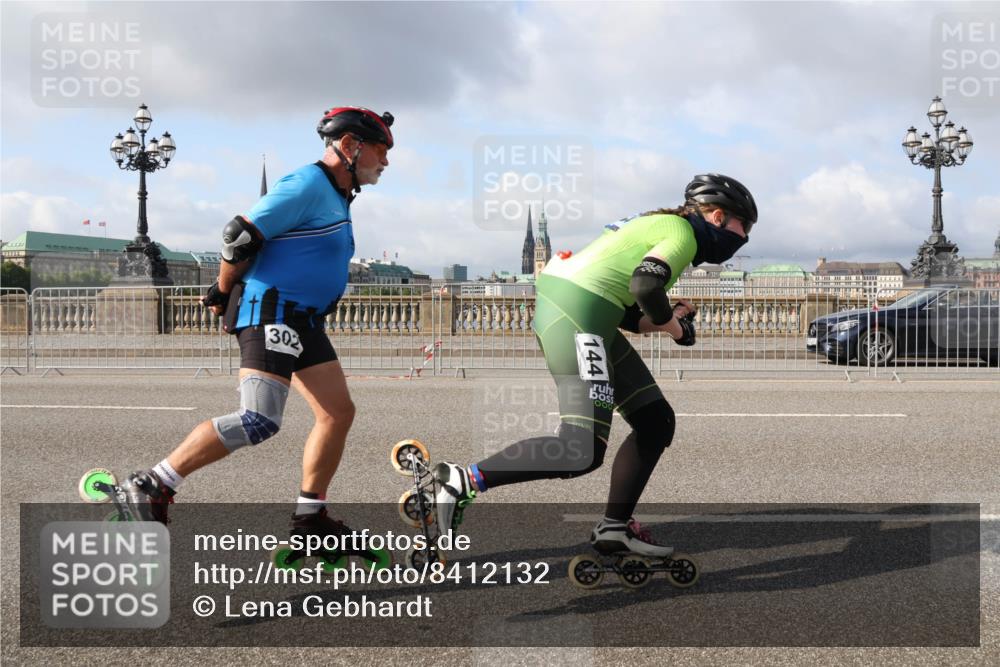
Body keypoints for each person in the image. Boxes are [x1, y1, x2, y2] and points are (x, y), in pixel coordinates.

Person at [433, 174, 757, 558]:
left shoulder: (660, 225)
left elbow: (629, 314)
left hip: (589, 314)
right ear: (718, 217)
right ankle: (463, 480)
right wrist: (675, 328)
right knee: (580, 448)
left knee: (655, 421)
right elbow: (646, 286)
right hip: (577, 317)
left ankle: (614, 529)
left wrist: (668, 320)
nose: (745, 239)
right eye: (744, 227)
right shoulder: (683, 233)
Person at [123, 107, 393, 547]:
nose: (385, 162)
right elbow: (240, 234)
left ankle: (310, 518)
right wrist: (223, 288)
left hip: (303, 320)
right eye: (381, 151)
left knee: (337, 412)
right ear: (349, 146)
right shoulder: (308, 183)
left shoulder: (337, 194)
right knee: (258, 420)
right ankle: (154, 482)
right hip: (273, 312)